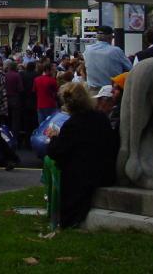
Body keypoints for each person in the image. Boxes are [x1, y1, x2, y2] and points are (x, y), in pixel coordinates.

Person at [46, 82, 118, 227]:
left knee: (51, 163)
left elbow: (56, 151)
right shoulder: (100, 118)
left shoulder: (72, 125)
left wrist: (54, 138)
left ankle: (55, 209)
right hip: (105, 169)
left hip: (82, 176)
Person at [83, 26, 132, 93]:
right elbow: (130, 69)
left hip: (92, 92)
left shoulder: (88, 50)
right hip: (112, 92)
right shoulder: (116, 51)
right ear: (110, 37)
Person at [4, 59, 24, 143]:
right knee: (15, 120)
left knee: (7, 119)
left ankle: (6, 136)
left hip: (6, 99)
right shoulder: (17, 75)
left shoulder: (5, 75)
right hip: (15, 99)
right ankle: (14, 138)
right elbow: (20, 88)